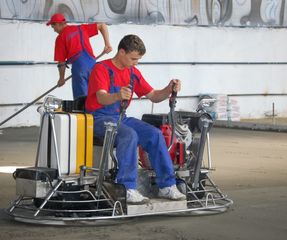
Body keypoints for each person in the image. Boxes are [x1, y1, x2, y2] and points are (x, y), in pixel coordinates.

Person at [85, 34, 186, 204]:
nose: (136, 62)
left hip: (120, 117)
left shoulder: (133, 72)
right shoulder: (101, 69)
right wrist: (117, 95)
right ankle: (127, 188)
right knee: (129, 134)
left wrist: (169, 89)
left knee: (154, 134)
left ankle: (167, 186)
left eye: (138, 59)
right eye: (133, 58)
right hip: (98, 118)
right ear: (121, 52)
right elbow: (101, 98)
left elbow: (154, 96)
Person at [46, 13, 113, 99]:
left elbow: (61, 63)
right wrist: (107, 44)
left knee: (81, 101)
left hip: (79, 69)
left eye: (53, 26)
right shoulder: (81, 28)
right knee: (95, 98)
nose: (54, 30)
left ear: (59, 24)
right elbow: (102, 25)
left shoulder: (61, 38)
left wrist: (61, 79)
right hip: (93, 66)